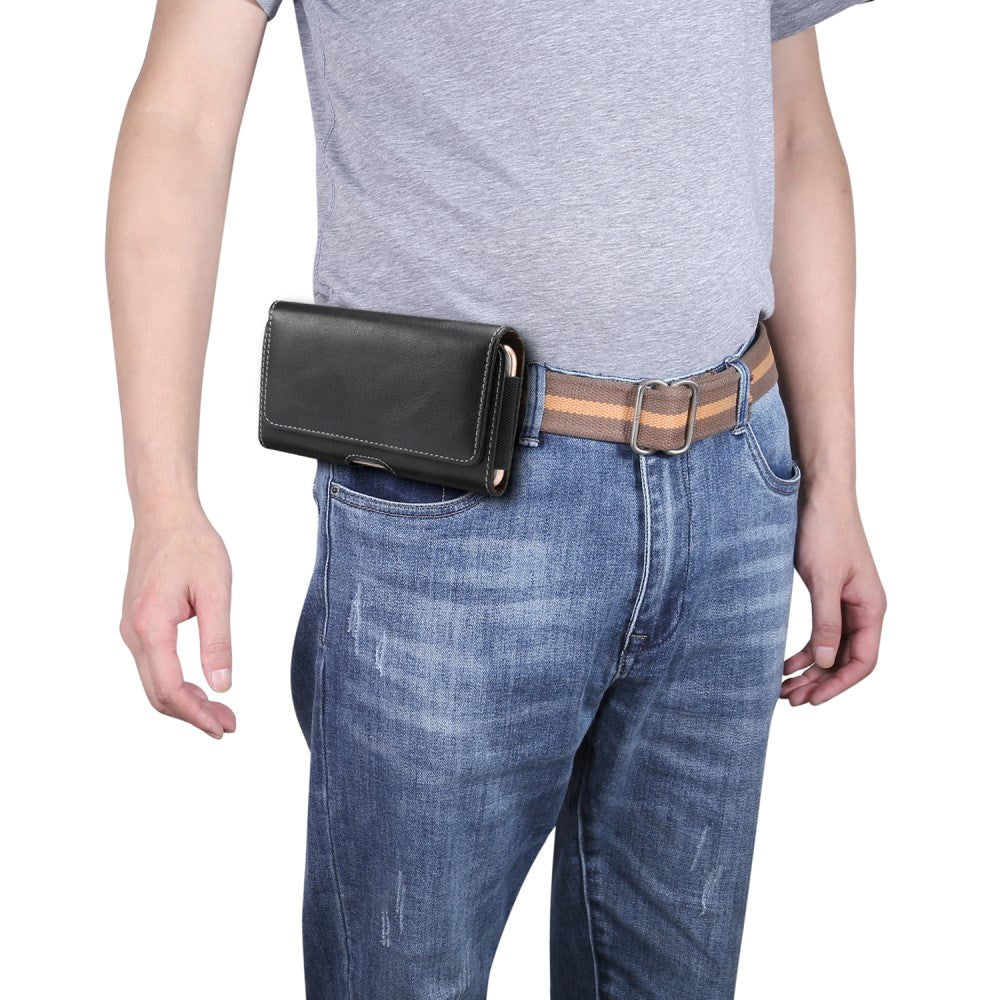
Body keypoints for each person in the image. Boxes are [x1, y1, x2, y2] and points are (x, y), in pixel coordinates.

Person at [106, 0, 887, 996]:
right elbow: (180, 120)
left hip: (731, 483)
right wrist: (164, 500)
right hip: (455, 508)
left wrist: (834, 483)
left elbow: (794, 129)